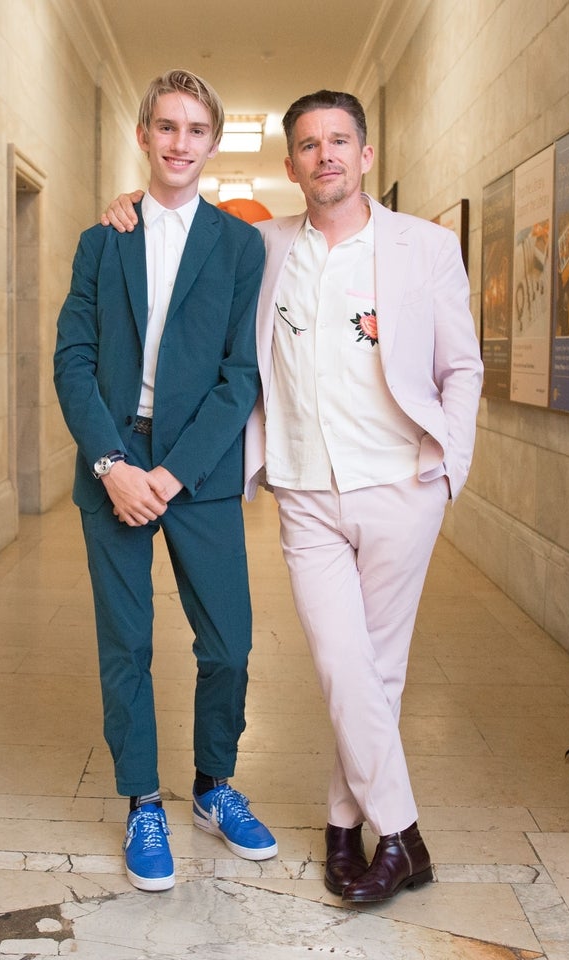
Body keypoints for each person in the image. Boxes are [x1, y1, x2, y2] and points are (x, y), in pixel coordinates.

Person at [103, 88, 483, 903]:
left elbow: (462, 368)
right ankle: (405, 835)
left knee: (376, 672)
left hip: (399, 486)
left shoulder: (427, 247)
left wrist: (448, 467)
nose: (327, 157)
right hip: (304, 490)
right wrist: (132, 205)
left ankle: (348, 829)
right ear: (291, 166)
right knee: (343, 662)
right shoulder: (260, 245)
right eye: (309, 146)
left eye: (340, 141)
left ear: (367, 153)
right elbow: (180, 227)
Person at [54, 69, 277, 895]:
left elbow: (239, 373)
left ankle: (215, 785)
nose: (180, 142)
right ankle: (145, 799)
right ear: (145, 135)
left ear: (212, 143)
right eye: (166, 127)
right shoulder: (102, 239)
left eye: (195, 129)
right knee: (129, 644)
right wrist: (112, 465)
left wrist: (174, 474)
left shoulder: (239, 243)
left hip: (201, 464)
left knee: (229, 640)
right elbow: (72, 359)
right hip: (114, 453)